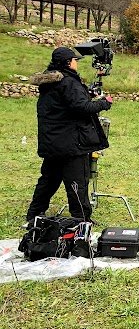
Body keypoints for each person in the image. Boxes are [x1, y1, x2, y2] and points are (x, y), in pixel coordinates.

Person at [26, 46, 113, 223]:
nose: (76, 63)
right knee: (77, 182)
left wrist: (85, 93)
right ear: (68, 62)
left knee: (49, 179)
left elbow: (65, 102)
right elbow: (82, 108)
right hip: (72, 143)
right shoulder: (68, 82)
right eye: (74, 60)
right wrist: (104, 103)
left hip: (53, 141)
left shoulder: (50, 82)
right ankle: (81, 219)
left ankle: (34, 213)